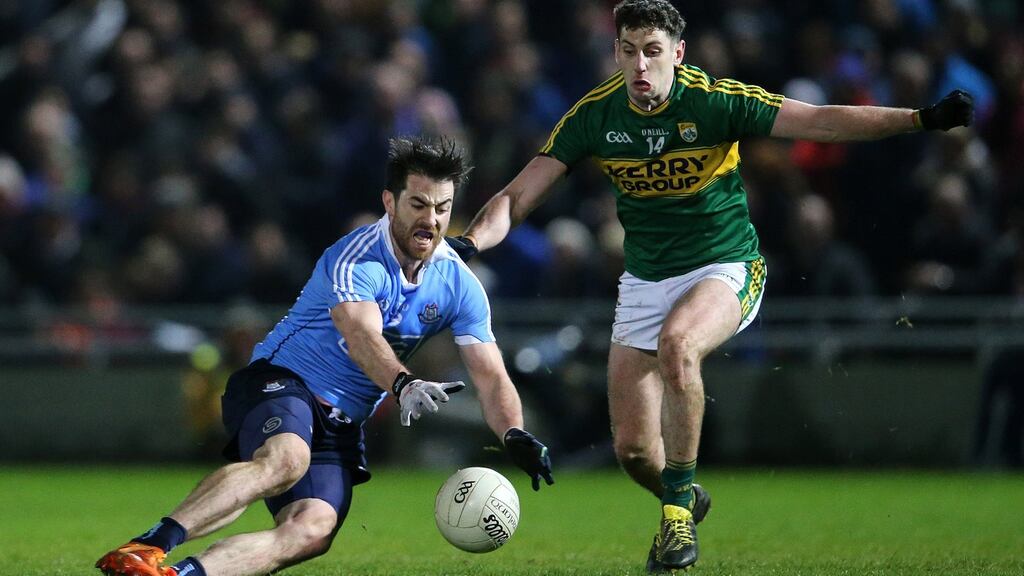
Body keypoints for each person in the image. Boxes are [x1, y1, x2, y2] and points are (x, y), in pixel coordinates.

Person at [445, 0, 973, 572]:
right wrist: (470, 245)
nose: (640, 66)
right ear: (616, 54)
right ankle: (685, 496)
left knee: (680, 345)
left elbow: (820, 120)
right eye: (628, 52)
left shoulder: (715, 101)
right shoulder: (595, 116)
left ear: (678, 53)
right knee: (634, 453)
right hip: (646, 281)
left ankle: (675, 525)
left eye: (652, 52)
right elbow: (517, 198)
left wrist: (920, 119)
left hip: (724, 268)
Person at [96, 137, 554, 576]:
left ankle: (178, 575)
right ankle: (148, 546)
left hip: (341, 423)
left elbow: (491, 377)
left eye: (442, 208)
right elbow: (360, 335)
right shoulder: (356, 257)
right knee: (285, 461)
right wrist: (404, 383)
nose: (431, 219)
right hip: (282, 381)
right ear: (390, 203)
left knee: (312, 530)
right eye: (418, 204)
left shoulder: (458, 284)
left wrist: (514, 432)